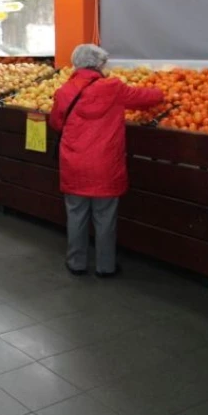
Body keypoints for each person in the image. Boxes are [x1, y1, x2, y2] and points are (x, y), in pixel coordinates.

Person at [48, 44, 164, 278]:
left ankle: (76, 263)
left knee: (76, 215)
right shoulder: (113, 87)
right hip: (104, 165)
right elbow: (144, 98)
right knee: (105, 218)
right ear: (99, 64)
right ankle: (105, 266)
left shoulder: (64, 91)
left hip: (74, 163)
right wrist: (163, 92)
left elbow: (56, 123)